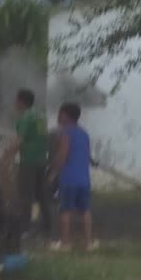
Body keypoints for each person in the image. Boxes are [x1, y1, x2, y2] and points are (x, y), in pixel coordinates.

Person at [48, 102, 93, 252]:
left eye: (60, 114)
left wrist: (53, 173)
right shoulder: (84, 133)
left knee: (65, 210)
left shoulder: (65, 133)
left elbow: (62, 156)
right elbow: (87, 155)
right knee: (85, 210)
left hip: (69, 179)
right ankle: (88, 243)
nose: (58, 117)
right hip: (84, 179)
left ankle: (65, 243)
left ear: (65, 116)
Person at [13, 89, 51, 236]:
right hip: (41, 160)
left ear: (21, 101)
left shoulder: (25, 118)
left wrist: (5, 153)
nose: (15, 103)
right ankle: (47, 224)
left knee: (25, 195)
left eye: (16, 100)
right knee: (41, 194)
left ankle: (25, 228)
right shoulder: (41, 117)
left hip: (28, 161)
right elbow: (44, 137)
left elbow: (19, 141)